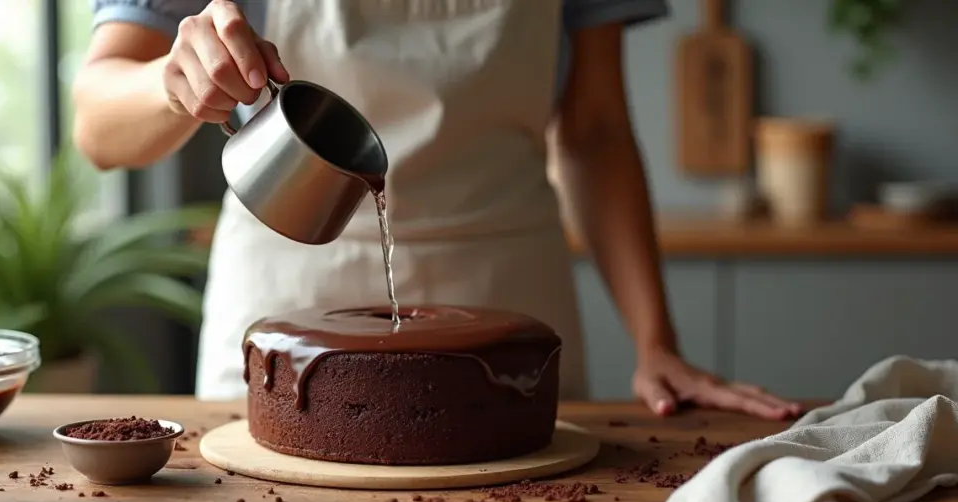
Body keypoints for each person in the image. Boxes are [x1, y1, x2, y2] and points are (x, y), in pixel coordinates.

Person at [74, 0, 801, 420]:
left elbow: (596, 128)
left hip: (509, 304)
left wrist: (656, 341)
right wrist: (170, 84)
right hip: (288, 301)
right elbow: (97, 124)